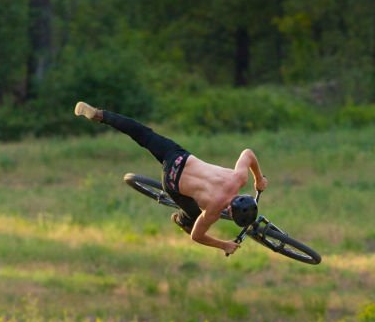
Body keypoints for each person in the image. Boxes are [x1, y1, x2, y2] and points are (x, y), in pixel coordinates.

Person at [74, 102, 268, 256]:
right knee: (192, 216)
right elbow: (197, 235)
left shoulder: (239, 178)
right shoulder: (212, 212)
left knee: (142, 133)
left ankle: (100, 115)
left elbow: (248, 153)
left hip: (177, 157)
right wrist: (223, 245)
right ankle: (181, 219)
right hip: (172, 182)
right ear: (231, 214)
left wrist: (258, 179)